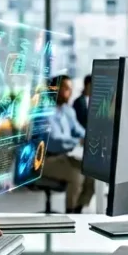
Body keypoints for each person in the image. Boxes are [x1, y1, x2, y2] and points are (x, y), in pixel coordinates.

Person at [40, 74, 95, 213]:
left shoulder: (68, 111)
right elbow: (53, 141)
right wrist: (78, 141)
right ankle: (70, 214)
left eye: (70, 89)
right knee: (76, 175)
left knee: (92, 173)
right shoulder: (44, 113)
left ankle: (78, 211)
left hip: (65, 157)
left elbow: (79, 131)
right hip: (46, 160)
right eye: (65, 88)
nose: (69, 92)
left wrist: (92, 138)